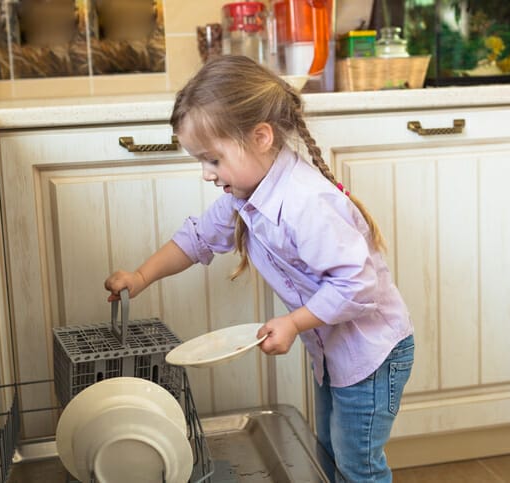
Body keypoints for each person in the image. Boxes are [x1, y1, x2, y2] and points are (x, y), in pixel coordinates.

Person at [104, 55, 414, 482]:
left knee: (357, 462)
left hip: (371, 354)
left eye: (212, 159)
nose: (206, 174)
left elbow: (357, 287)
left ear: (261, 137)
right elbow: (196, 239)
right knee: (327, 447)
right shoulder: (245, 195)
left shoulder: (306, 203)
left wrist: (293, 323)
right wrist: (140, 277)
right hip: (335, 351)